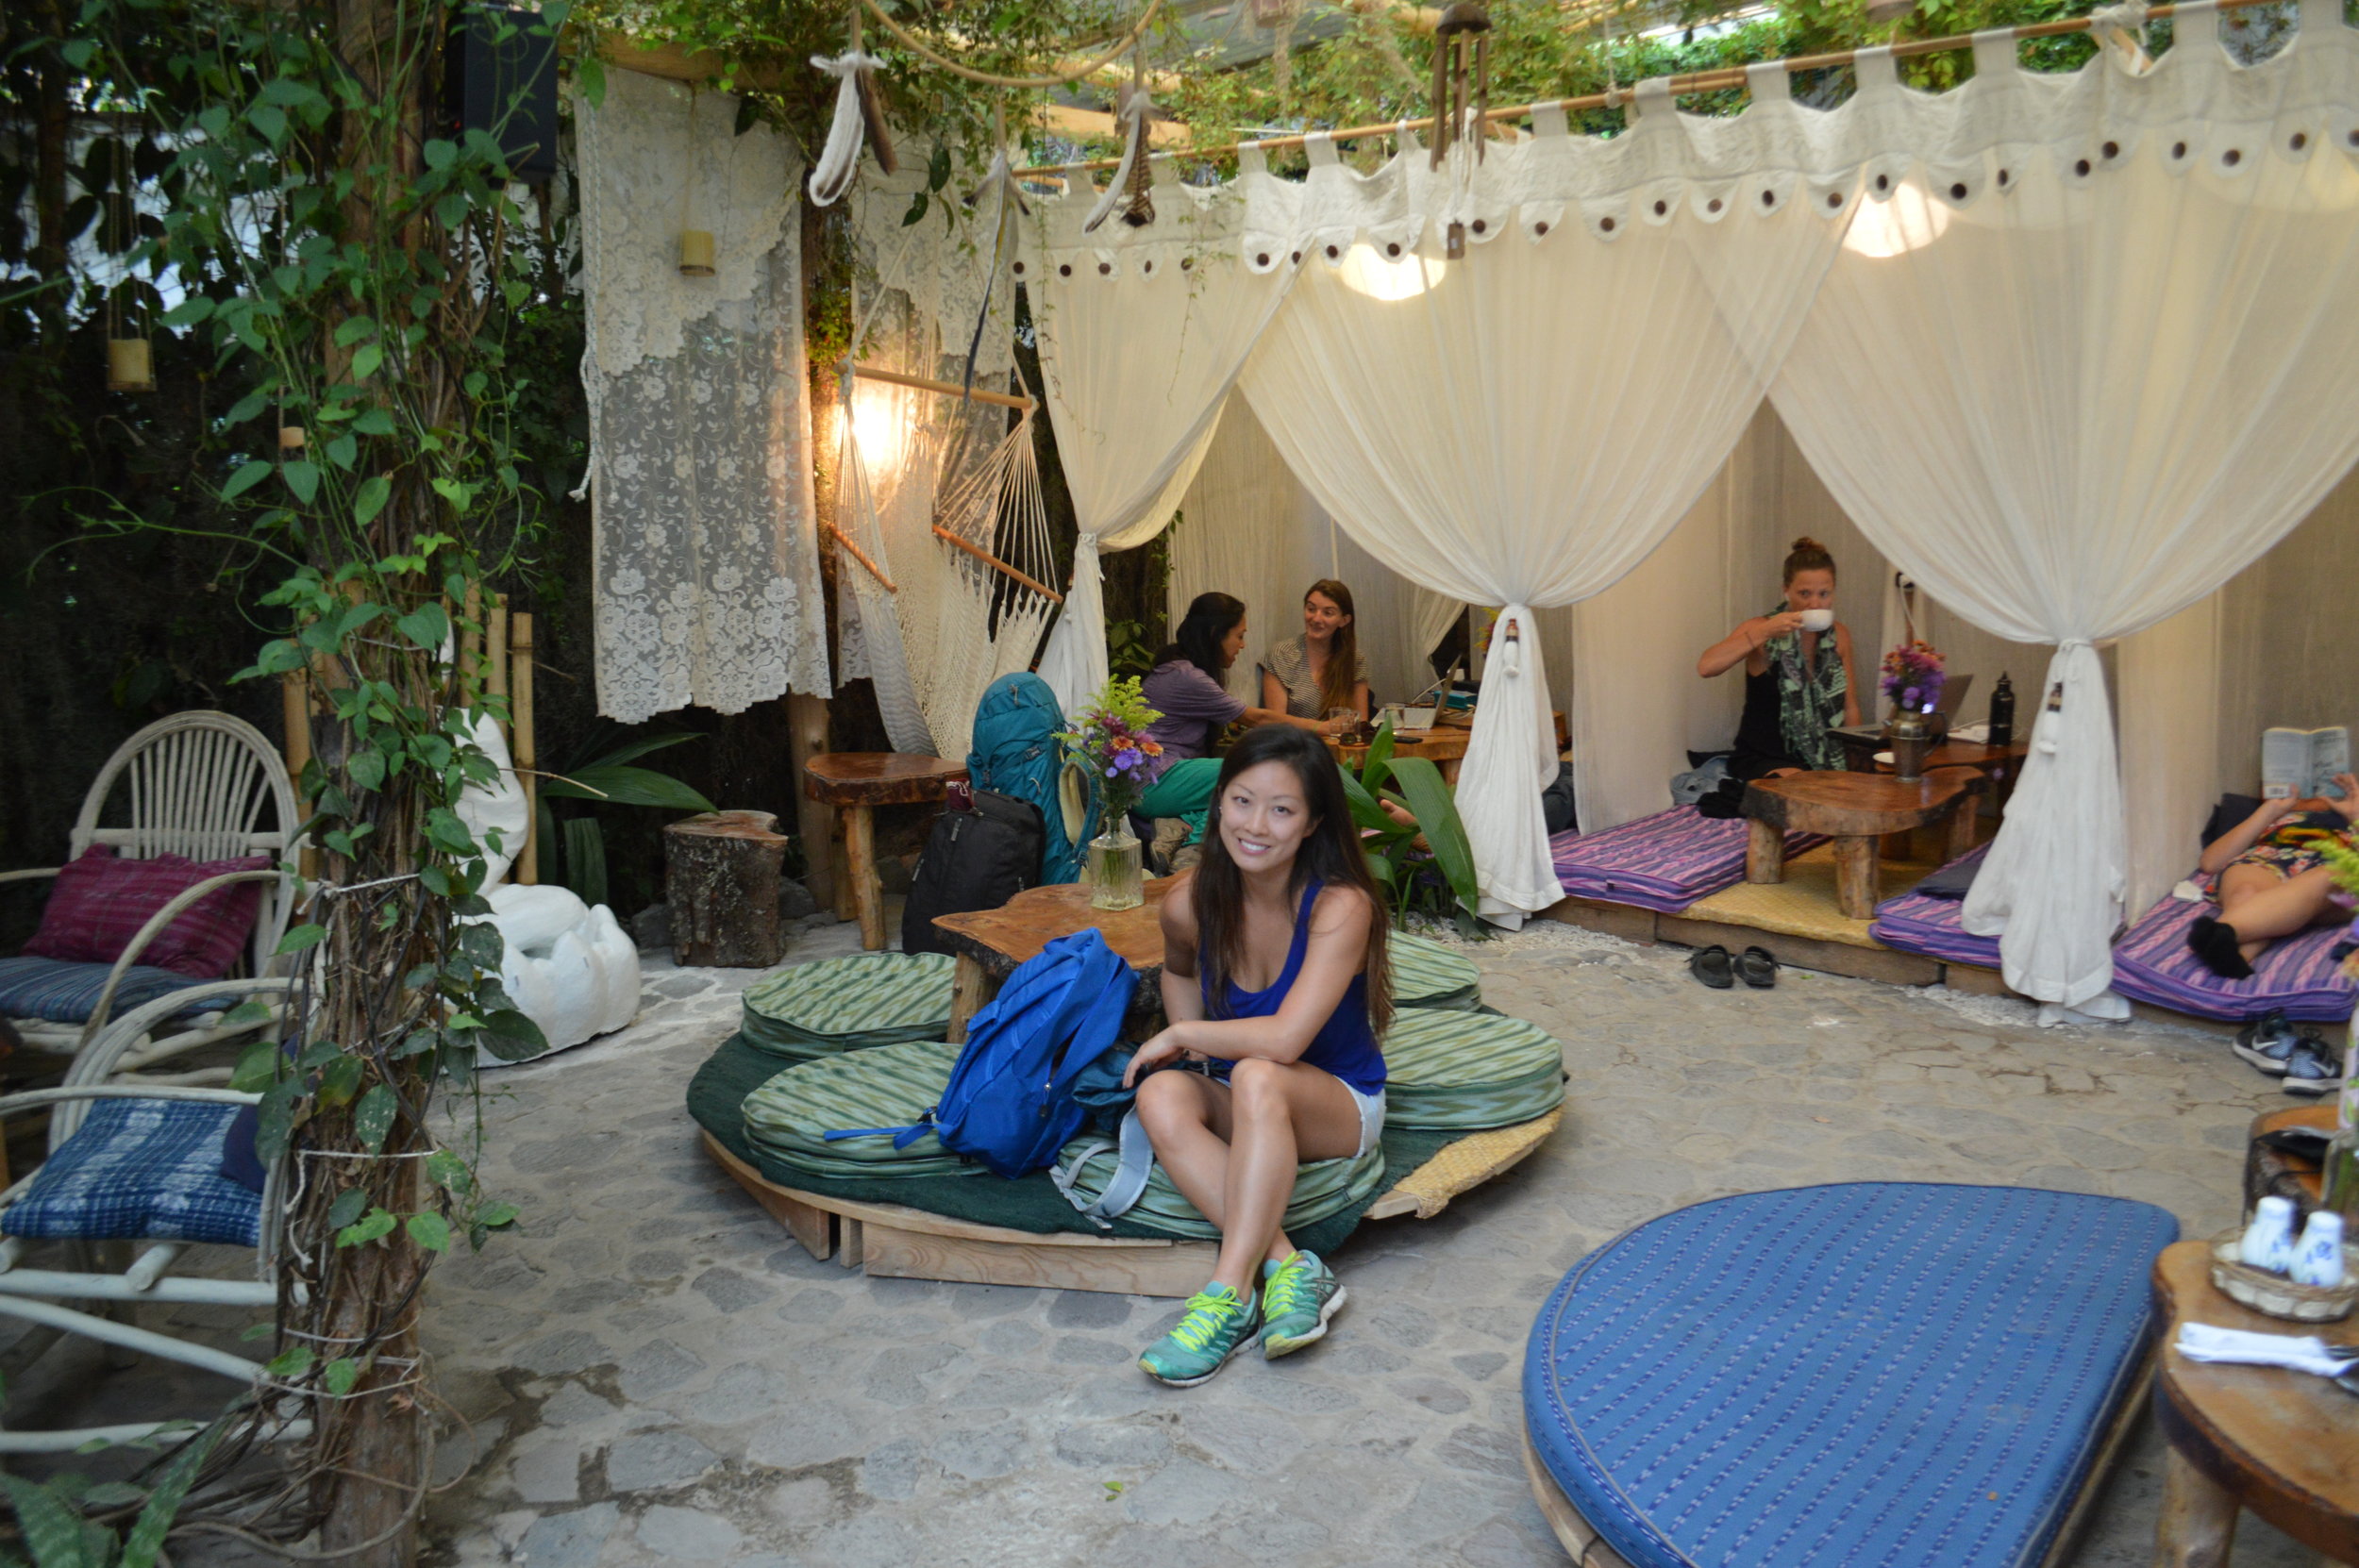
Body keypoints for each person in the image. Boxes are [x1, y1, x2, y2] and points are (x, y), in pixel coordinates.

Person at [1125, 726, 1391, 1385]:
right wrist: (1192, 1052)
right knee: (1159, 1093)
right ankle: (1295, 1266)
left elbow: (1284, 1043)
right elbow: (1180, 971)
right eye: (1243, 801)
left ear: (1312, 823)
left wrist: (1182, 1036)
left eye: (1282, 810)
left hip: (1336, 1102)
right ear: (1218, 804)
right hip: (1249, 1090)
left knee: (1259, 1072)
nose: (1256, 826)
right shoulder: (1190, 900)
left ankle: (1228, 1294)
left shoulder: (1341, 905)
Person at [1695, 536, 1862, 779]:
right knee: (1805, 790)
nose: (1814, 603)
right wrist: (1764, 632)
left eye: (1824, 594)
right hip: (1764, 756)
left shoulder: (1840, 635)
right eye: (1804, 593)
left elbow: (1850, 706)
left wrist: (1856, 759)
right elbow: (1706, 667)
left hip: (1825, 755)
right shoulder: (1762, 628)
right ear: (1786, 590)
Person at [1140, 592, 1355, 780]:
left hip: (1169, 771)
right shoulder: (1186, 676)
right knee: (1255, 770)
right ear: (1216, 634)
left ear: (1344, 621)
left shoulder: (1182, 669)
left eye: (1328, 612)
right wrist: (1325, 727)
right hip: (1159, 773)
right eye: (1240, 636)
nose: (1242, 645)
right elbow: (1258, 718)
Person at [2188, 779, 2359, 978]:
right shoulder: (2276, 818)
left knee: (2324, 877)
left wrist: (2354, 817)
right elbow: (2210, 863)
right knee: (2246, 892)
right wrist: (2271, 810)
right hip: (2269, 858)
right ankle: (2235, 958)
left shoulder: (2350, 820)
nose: (2316, 797)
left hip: (2330, 870)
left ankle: (2219, 932)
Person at [1263, 579, 1372, 723]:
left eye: (1328, 613)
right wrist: (1321, 730)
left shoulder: (1355, 660)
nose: (1316, 618)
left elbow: (1361, 722)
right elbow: (1276, 724)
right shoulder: (1282, 655)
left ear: (1344, 620)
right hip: (1295, 743)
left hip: (1343, 743)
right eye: (1311, 609)